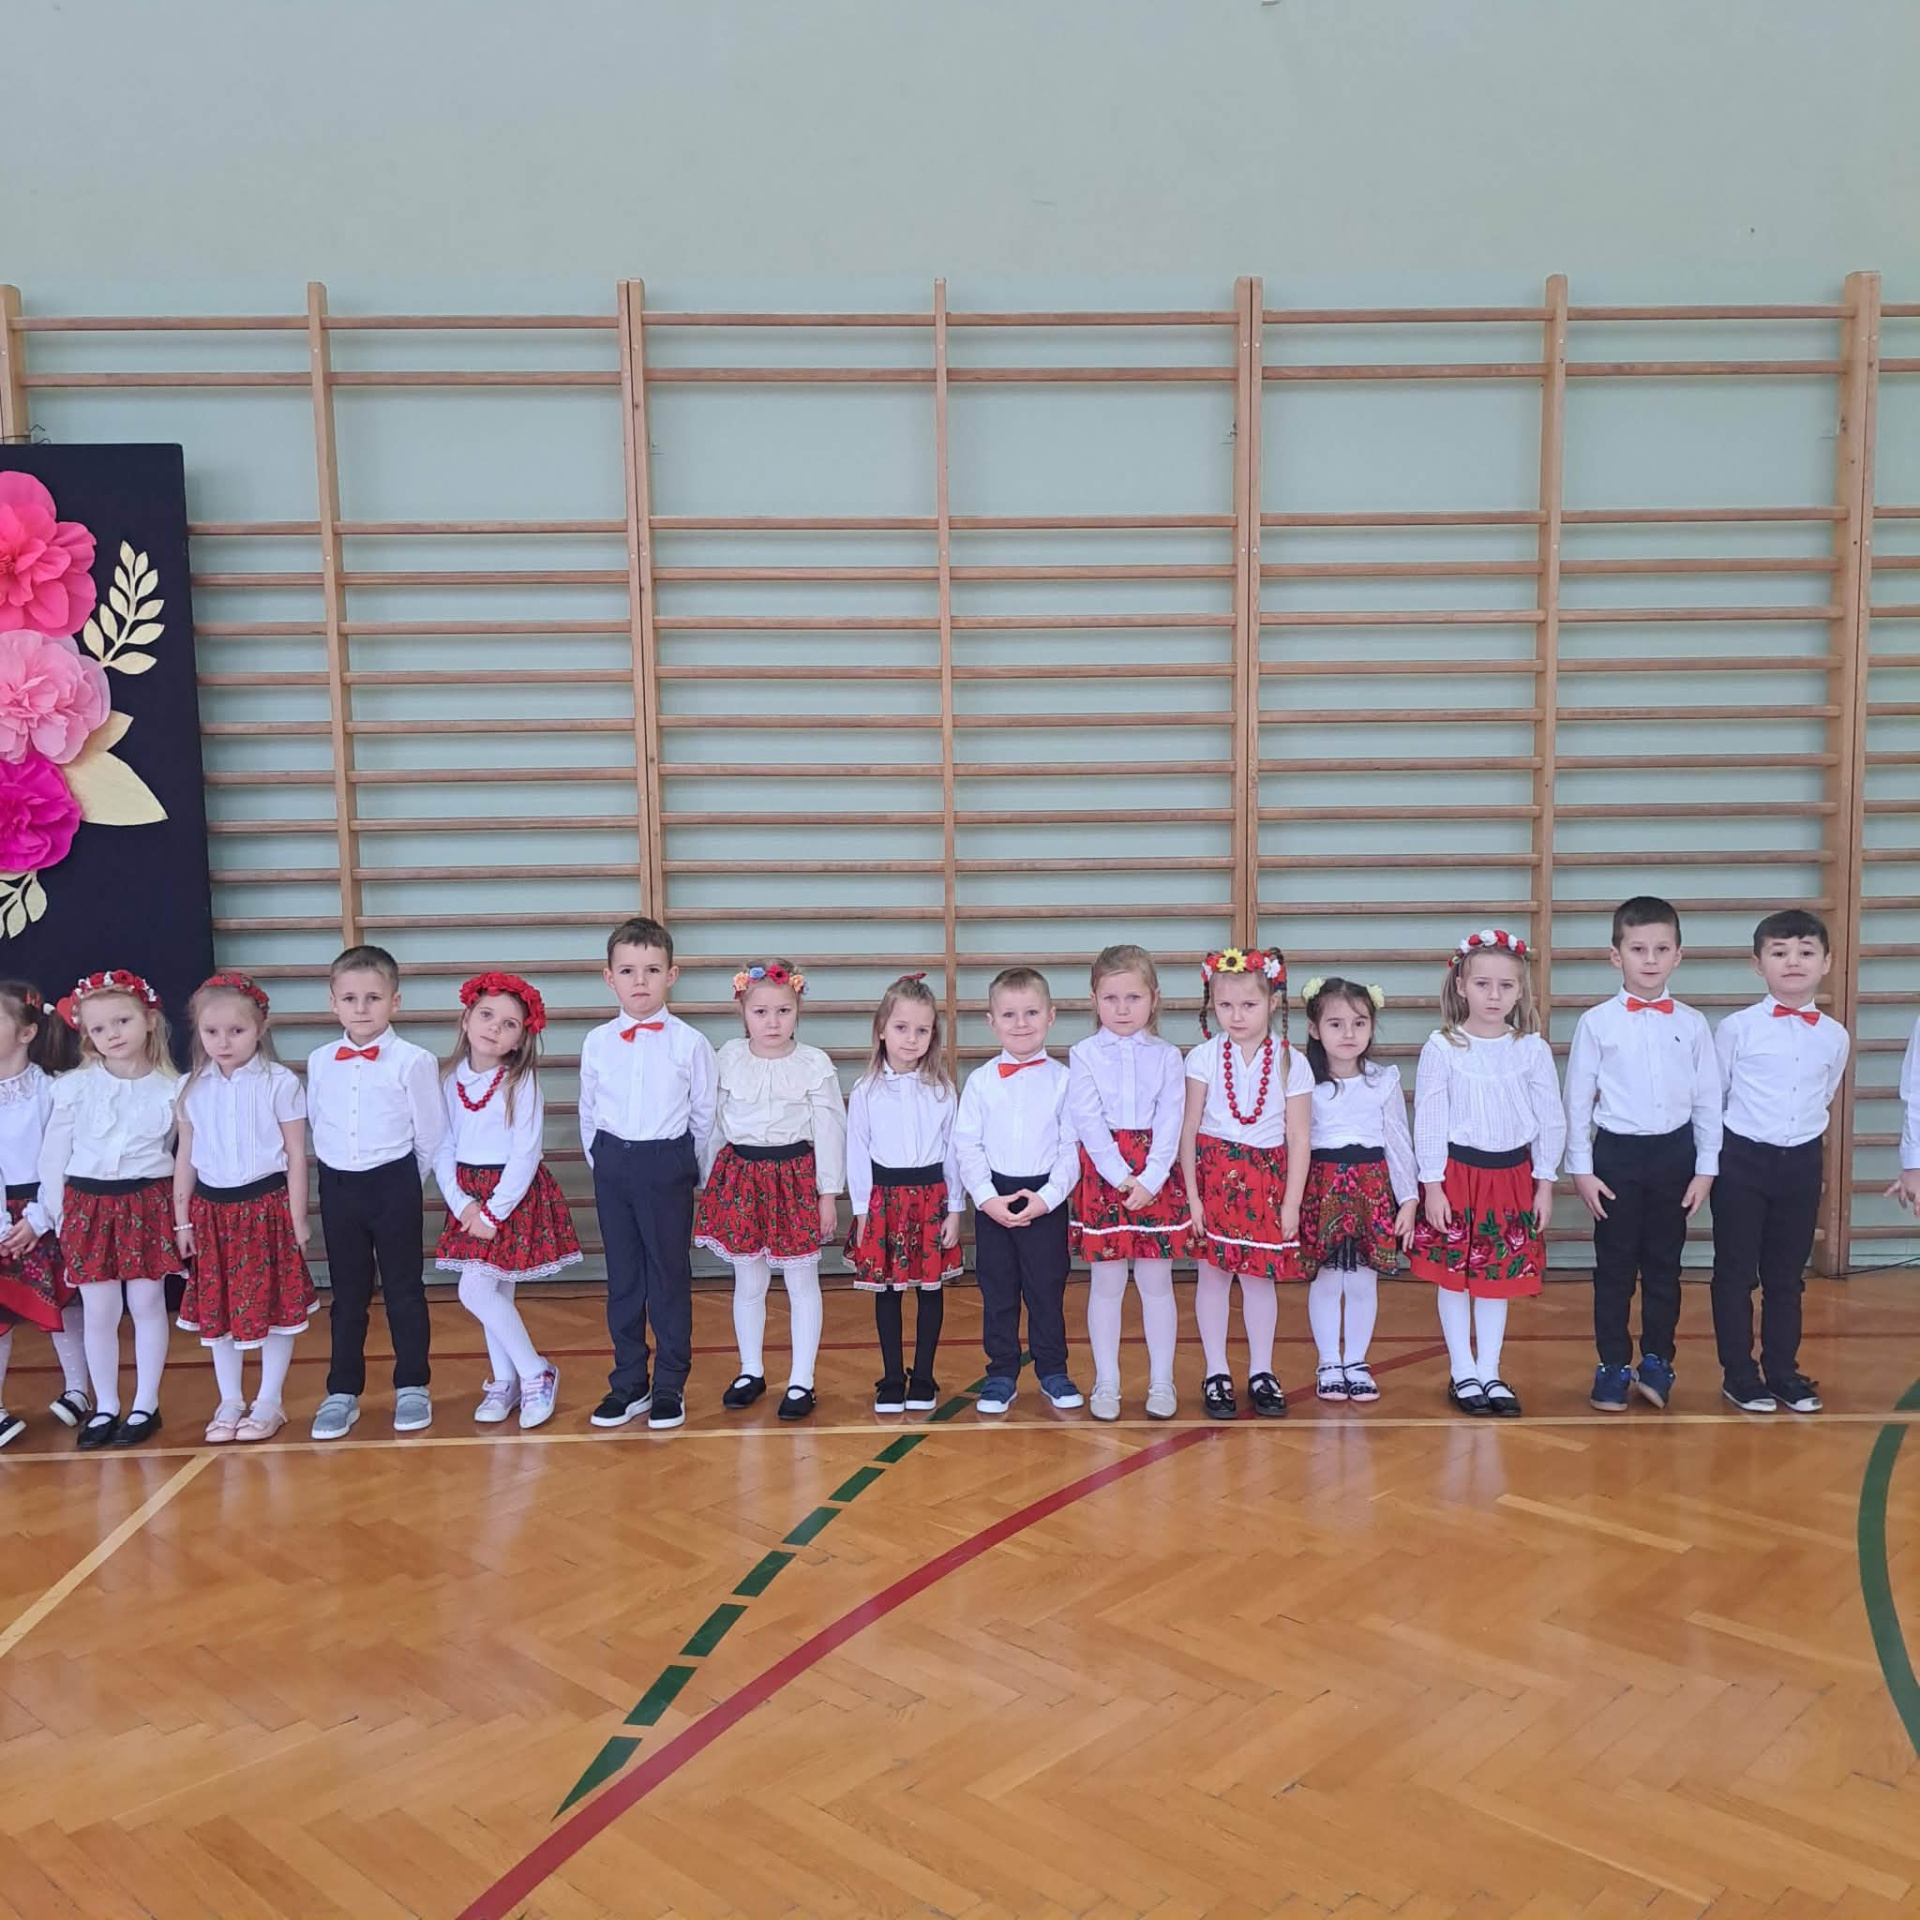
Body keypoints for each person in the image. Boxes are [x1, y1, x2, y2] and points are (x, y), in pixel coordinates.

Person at [1563, 896, 1720, 1412]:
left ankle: (1657, 1360)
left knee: (1664, 1266)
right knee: (1613, 1267)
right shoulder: (1596, 1023)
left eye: (1661, 949)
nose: (1650, 959)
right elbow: (1577, 1100)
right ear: (1616, 956)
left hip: (1675, 1155)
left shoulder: (1693, 1024)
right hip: (1616, 1156)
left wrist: (1706, 1169)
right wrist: (1581, 1169)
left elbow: (1708, 1100)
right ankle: (1612, 1364)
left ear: (1678, 955)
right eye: (1637, 949)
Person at [1408, 928, 1565, 1419]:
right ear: (1461, 986)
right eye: (1482, 984)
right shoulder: (1442, 1047)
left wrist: (1545, 1183)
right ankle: (1462, 1372)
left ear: (1520, 991)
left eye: (1505, 986)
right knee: (1454, 1279)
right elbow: (1429, 1118)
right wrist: (1432, 1184)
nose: (1494, 996)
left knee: (1496, 1278)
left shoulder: (1531, 1049)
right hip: (1457, 1176)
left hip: (1511, 1177)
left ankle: (1490, 1371)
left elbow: (1551, 1119)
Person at [580, 914, 716, 1432]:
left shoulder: (690, 1043)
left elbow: (704, 1116)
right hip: (613, 1164)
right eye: (628, 971)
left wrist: (686, 1170)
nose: (640, 981)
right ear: (609, 978)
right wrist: (604, 1160)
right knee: (623, 1279)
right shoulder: (597, 1042)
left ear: (671, 975)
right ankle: (629, 1382)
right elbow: (589, 1110)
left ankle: (669, 1384)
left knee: (668, 1276)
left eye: (652, 970)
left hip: (667, 1165)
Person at [1711, 909, 1850, 1414]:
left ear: (1826, 962)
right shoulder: (1736, 1030)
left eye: (1806, 952)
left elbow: (1824, 1094)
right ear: (1758, 964)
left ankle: (1783, 1372)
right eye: (1779, 952)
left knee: (1787, 1276)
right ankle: (1739, 1374)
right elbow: (1716, 1096)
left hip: (1801, 1163)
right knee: (1735, 1272)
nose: (1793, 961)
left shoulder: (1834, 1036)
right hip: (1742, 1160)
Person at [696, 960, 846, 1422]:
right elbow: (713, 1126)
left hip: (794, 1180)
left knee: (801, 1283)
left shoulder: (813, 1064)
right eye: (760, 1012)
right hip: (740, 1178)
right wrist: (709, 1183)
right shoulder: (728, 1058)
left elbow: (831, 1131)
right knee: (749, 1282)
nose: (773, 1022)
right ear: (743, 1012)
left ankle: (802, 1379)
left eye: (783, 1011)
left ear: (798, 1010)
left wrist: (827, 1194)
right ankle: (751, 1370)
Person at [306, 945, 446, 1441]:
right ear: (333, 1003)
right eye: (350, 998)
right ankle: (342, 1391)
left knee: (405, 1289)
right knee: (347, 1294)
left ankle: (413, 1385)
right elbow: (319, 1121)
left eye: (373, 998)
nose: (361, 1008)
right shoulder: (320, 1061)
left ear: (395, 1002)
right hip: (338, 1185)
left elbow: (431, 1133)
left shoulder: (414, 1061)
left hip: (394, 1183)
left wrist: (405, 1182)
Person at [39, 969, 181, 1448]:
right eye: (99, 1028)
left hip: (146, 1202)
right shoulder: (74, 1088)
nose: (112, 1034)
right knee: (99, 1309)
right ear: (87, 1035)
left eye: (123, 1021)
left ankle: (145, 1403)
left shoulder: (172, 1089)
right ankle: (105, 1405)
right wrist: (59, 1216)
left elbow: (176, 1151)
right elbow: (53, 1158)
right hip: (87, 1205)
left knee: (146, 1303)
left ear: (149, 1021)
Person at [172, 972, 316, 1443]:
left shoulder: (279, 1082)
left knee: (274, 1308)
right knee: (220, 1310)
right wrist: (182, 1221)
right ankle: (230, 1399)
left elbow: (295, 1154)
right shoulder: (190, 1087)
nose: (223, 1041)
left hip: (266, 1209)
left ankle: (269, 1400)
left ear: (260, 1028)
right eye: (211, 1031)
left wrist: (297, 1219)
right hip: (212, 1214)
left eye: (236, 1030)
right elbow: (185, 1157)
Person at [434, 971, 581, 1431]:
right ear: (466, 1019)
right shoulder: (447, 1080)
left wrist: (493, 1212)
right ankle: (506, 1379)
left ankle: (536, 1372)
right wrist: (462, 1205)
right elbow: (440, 1146)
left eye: (509, 1024)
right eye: (486, 1015)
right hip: (468, 1196)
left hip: (511, 1198)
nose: (495, 1027)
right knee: (493, 1293)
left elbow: (525, 1153)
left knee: (475, 1290)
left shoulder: (521, 1083)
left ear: (520, 1039)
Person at [1179, 946, 1312, 1419]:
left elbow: (1299, 1137)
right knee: (1213, 1277)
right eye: (1225, 1005)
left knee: (1259, 1280)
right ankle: (1216, 1370)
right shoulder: (1202, 1057)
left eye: (1249, 1005)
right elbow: (1189, 1131)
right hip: (1214, 1177)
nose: (1236, 1016)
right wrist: (1193, 1197)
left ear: (1273, 1002)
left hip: (1266, 1182)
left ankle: (1261, 1371)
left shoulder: (1292, 1061)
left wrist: (1291, 1203)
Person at [1069, 944, 1191, 1422]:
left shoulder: (1168, 1057)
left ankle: (1162, 1380)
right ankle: (1107, 1381)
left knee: (1157, 1282)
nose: (1122, 1009)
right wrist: (1120, 1177)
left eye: (1133, 998)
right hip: (1107, 1176)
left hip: (1155, 1176)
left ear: (1154, 998)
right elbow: (1087, 1121)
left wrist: (1152, 1178)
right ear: (1094, 1000)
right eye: (1111, 998)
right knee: (1106, 1282)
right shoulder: (1083, 1054)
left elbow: (1171, 1120)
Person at [952, 966, 1082, 1417]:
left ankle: (1053, 1370)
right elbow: (967, 1145)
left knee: (1047, 1290)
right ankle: (1001, 1373)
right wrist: (987, 1198)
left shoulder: (1066, 1081)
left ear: (1051, 1016)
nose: (1021, 1023)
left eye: (1031, 1013)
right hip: (995, 1199)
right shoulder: (980, 1082)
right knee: (998, 1291)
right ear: (992, 1022)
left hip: (1046, 1198)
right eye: (1009, 1015)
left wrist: (1048, 1198)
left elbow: (1071, 1147)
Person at [846, 973, 962, 1415]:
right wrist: (861, 1213)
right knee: (889, 1291)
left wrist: (955, 1209)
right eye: (901, 1027)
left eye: (922, 1030)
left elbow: (954, 1153)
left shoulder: (942, 1090)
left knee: (930, 1290)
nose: (911, 1039)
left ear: (933, 1035)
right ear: (881, 1029)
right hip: (884, 1201)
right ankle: (893, 1378)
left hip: (932, 1200)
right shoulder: (866, 1091)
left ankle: (924, 1377)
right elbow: (857, 1155)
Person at [1298, 976, 1416, 1405]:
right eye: (1336, 1024)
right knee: (1328, 1280)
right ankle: (1329, 1361)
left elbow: (1398, 1141)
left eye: (1359, 1023)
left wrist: (1409, 1199)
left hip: (1371, 1188)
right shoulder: (1303, 1081)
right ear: (1315, 1029)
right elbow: (1292, 1140)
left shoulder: (1382, 1080)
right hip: (1321, 1186)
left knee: (1364, 1281)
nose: (1348, 1033)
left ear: (1371, 1027)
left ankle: (1357, 1361)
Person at [0, 979, 85, 1449]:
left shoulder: (52, 1092)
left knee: (63, 1300)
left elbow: (59, 1160)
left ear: (27, 1033)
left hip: (46, 1208)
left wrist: (38, 1217)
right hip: (2, 1217)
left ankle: (79, 1390)